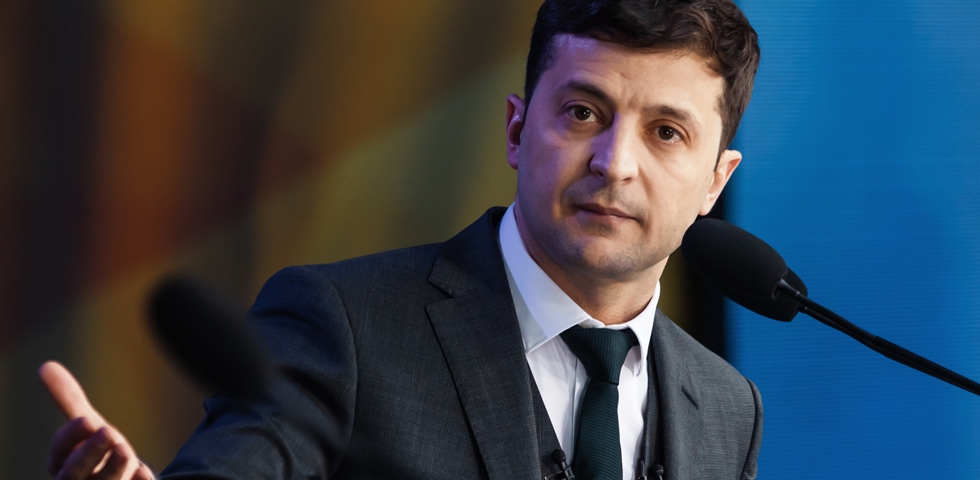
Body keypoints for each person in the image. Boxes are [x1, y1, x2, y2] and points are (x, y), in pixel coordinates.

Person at [40, 0, 762, 478]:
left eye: (666, 132)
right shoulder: (344, 323)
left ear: (715, 181)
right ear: (516, 130)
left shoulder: (728, 407)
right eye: (582, 113)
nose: (614, 162)